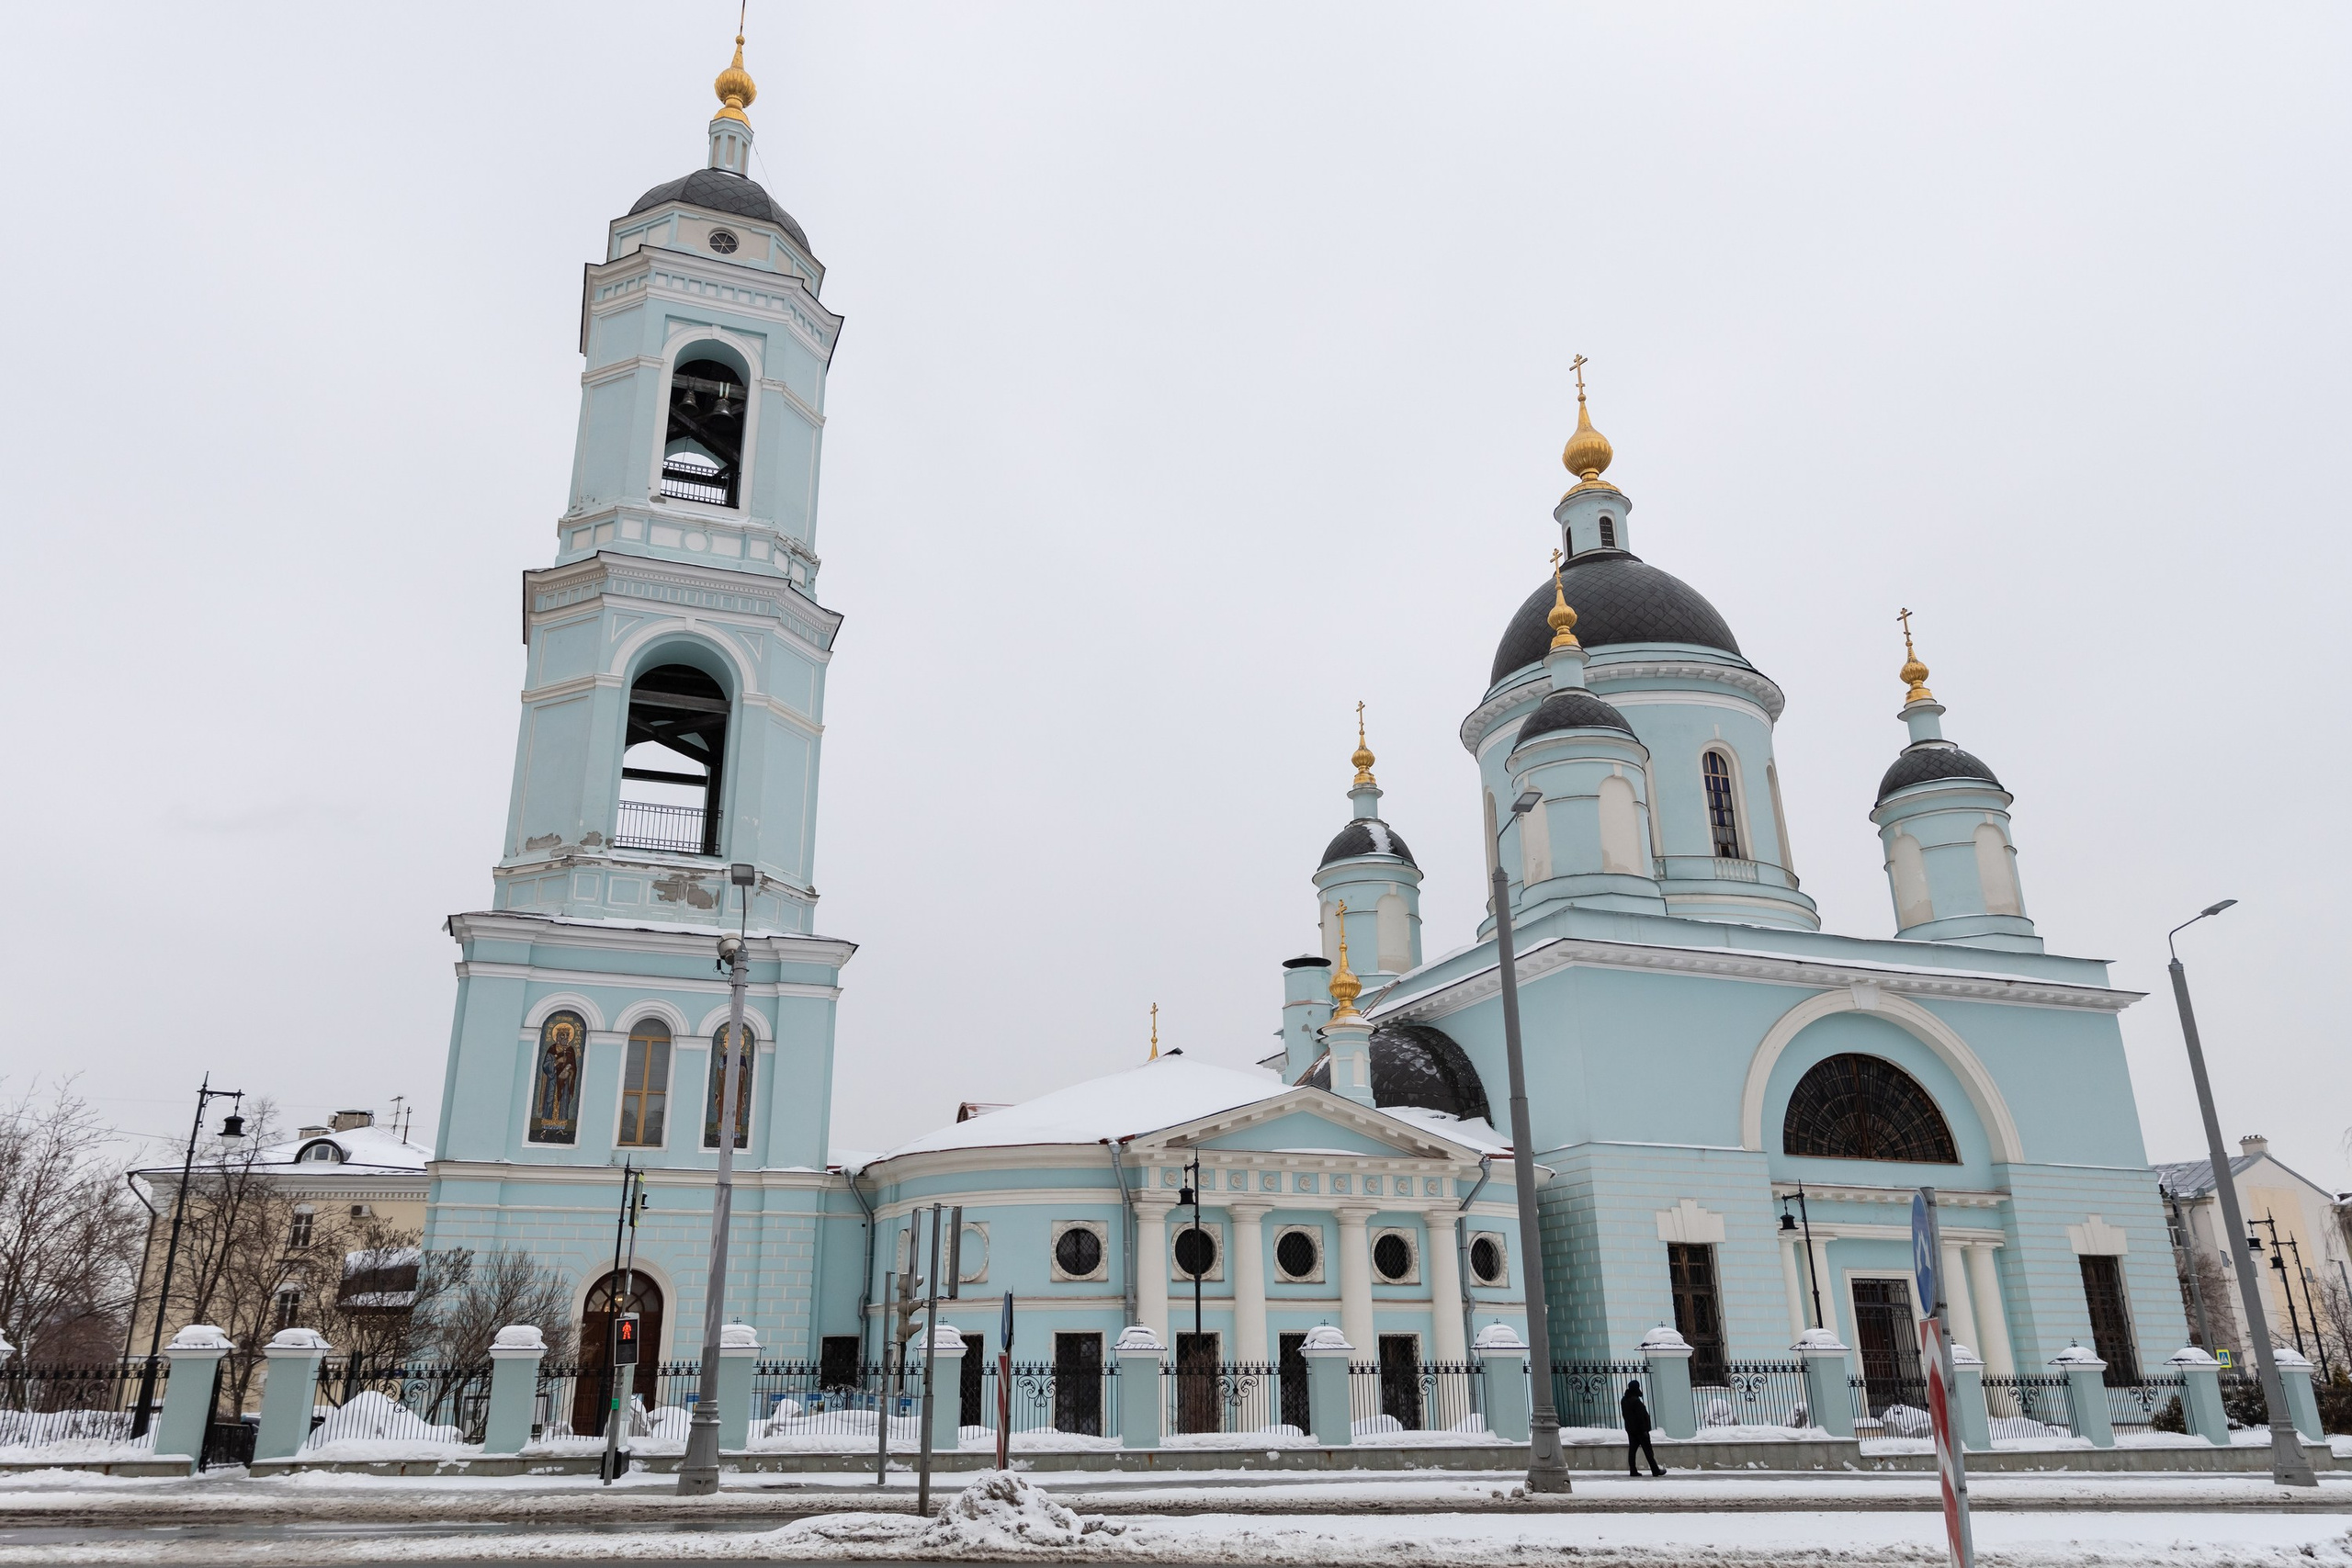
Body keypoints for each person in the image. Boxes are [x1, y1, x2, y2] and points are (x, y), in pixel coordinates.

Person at [1622, 1378, 1666, 1476]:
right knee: (1648, 1451)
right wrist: (1644, 1430)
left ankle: (1633, 1470)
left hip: (1630, 1429)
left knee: (1632, 1451)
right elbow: (1640, 1417)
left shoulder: (1624, 1400)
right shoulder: (1636, 1401)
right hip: (1640, 1431)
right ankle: (1655, 1470)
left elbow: (1625, 1415)